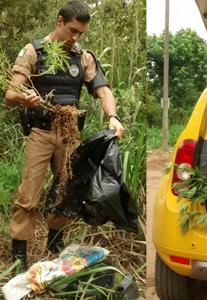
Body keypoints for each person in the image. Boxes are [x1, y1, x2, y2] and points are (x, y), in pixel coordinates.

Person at [5, 0, 124, 271]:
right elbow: (10, 93)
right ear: (59, 21)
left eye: (81, 33)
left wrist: (113, 116)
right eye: (72, 30)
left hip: (70, 137)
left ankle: (55, 246)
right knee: (29, 196)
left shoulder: (83, 57)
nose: (76, 37)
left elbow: (103, 90)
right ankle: (19, 258)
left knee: (65, 193)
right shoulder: (33, 52)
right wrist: (26, 99)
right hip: (41, 132)